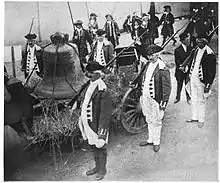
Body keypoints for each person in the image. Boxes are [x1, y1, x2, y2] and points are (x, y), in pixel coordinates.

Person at [68, 61, 113, 180]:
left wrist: (102, 133)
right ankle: (97, 167)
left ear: (98, 74)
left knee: (100, 147)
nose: (88, 75)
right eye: (88, 73)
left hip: (96, 124)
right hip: (87, 123)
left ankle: (102, 170)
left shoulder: (102, 88)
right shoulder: (89, 84)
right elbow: (84, 99)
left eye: (91, 73)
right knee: (93, 146)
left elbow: (105, 113)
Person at [131, 44, 171, 152]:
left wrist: (164, 102)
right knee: (148, 118)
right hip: (146, 96)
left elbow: (167, 87)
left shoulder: (162, 68)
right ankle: (150, 139)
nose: (150, 57)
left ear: (157, 55)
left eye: (152, 55)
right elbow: (142, 78)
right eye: (149, 55)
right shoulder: (147, 65)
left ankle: (156, 141)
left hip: (156, 98)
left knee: (156, 120)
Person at [179, 37, 216, 128]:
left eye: (200, 43)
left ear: (205, 43)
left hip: (202, 80)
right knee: (194, 98)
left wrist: (208, 84)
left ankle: (201, 119)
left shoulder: (209, 54)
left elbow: (212, 72)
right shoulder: (196, 50)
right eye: (197, 42)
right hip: (193, 77)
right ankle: (194, 117)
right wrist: (183, 65)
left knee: (201, 100)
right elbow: (190, 58)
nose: (198, 44)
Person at [174, 32, 192, 104]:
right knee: (179, 84)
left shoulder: (191, 48)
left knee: (187, 85)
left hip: (188, 70)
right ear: (183, 40)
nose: (188, 41)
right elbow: (177, 61)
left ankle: (188, 98)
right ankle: (177, 97)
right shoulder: (177, 50)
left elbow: (191, 59)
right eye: (187, 39)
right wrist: (182, 67)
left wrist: (188, 67)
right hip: (180, 71)